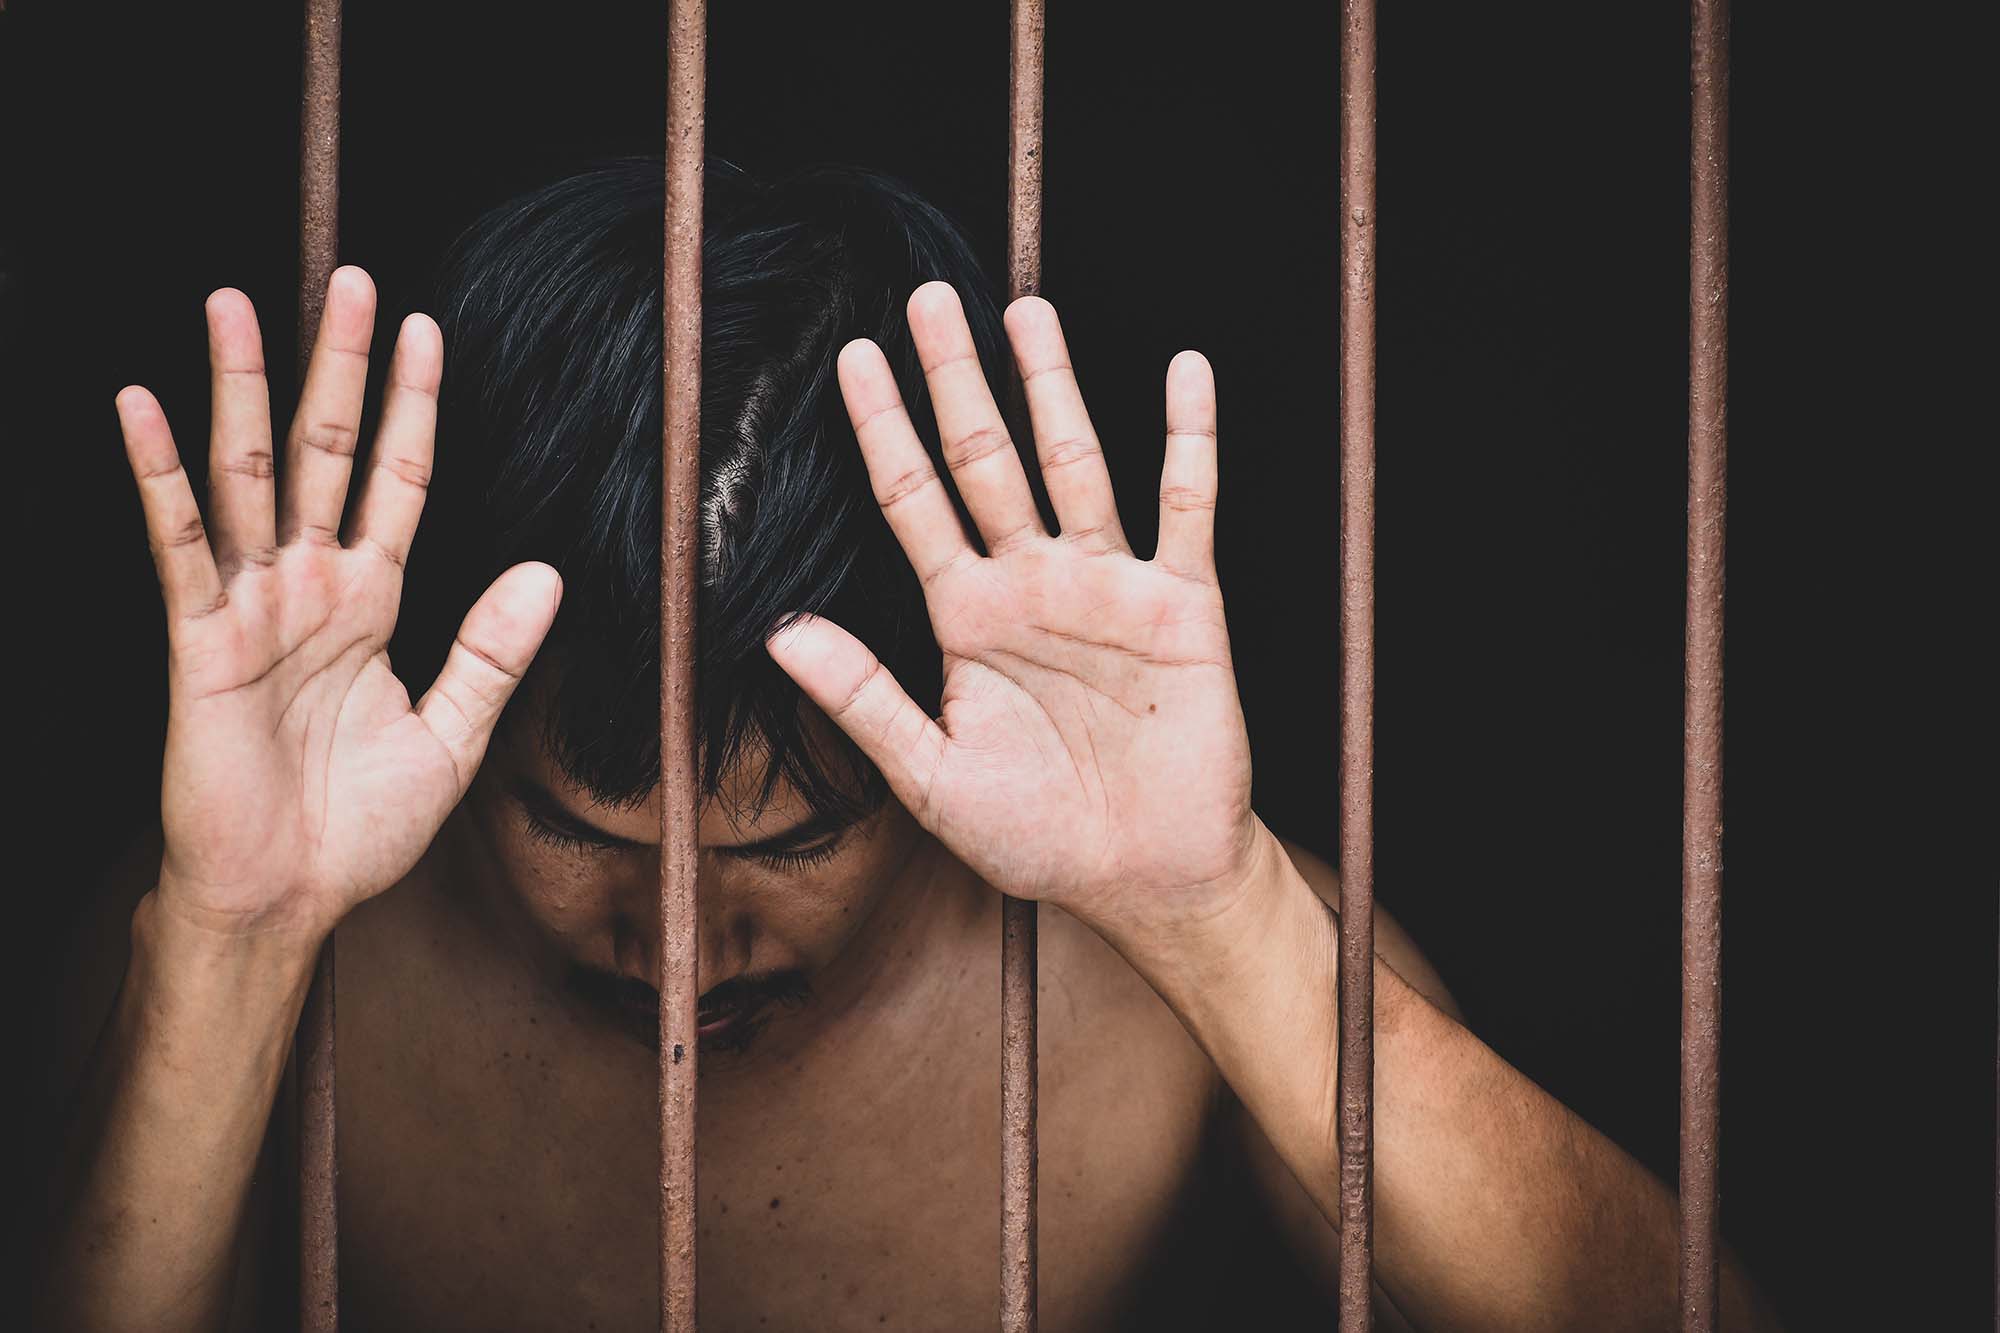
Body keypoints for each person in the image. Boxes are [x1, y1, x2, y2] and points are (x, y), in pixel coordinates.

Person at [33, 156, 1782, 1331]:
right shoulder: (248, 931)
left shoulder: (1174, 972)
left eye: (790, 843)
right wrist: (232, 944)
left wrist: (1220, 909)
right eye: (581, 831)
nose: (679, 942)